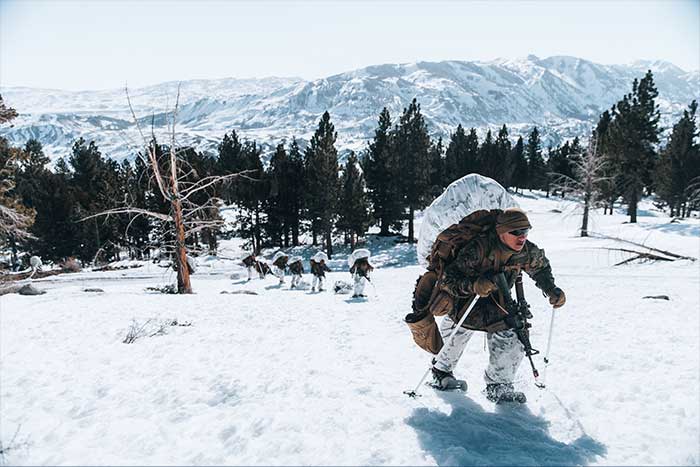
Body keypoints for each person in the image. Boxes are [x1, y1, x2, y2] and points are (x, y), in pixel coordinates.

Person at [430, 208, 566, 403]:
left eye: (525, 231)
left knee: (513, 336)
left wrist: (551, 289)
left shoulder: (527, 251)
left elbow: (541, 268)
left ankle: (498, 386)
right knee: (456, 335)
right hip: (467, 302)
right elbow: (448, 278)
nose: (522, 237)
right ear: (501, 232)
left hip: (500, 303)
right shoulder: (479, 248)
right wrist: (474, 285)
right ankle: (440, 372)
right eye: (516, 232)